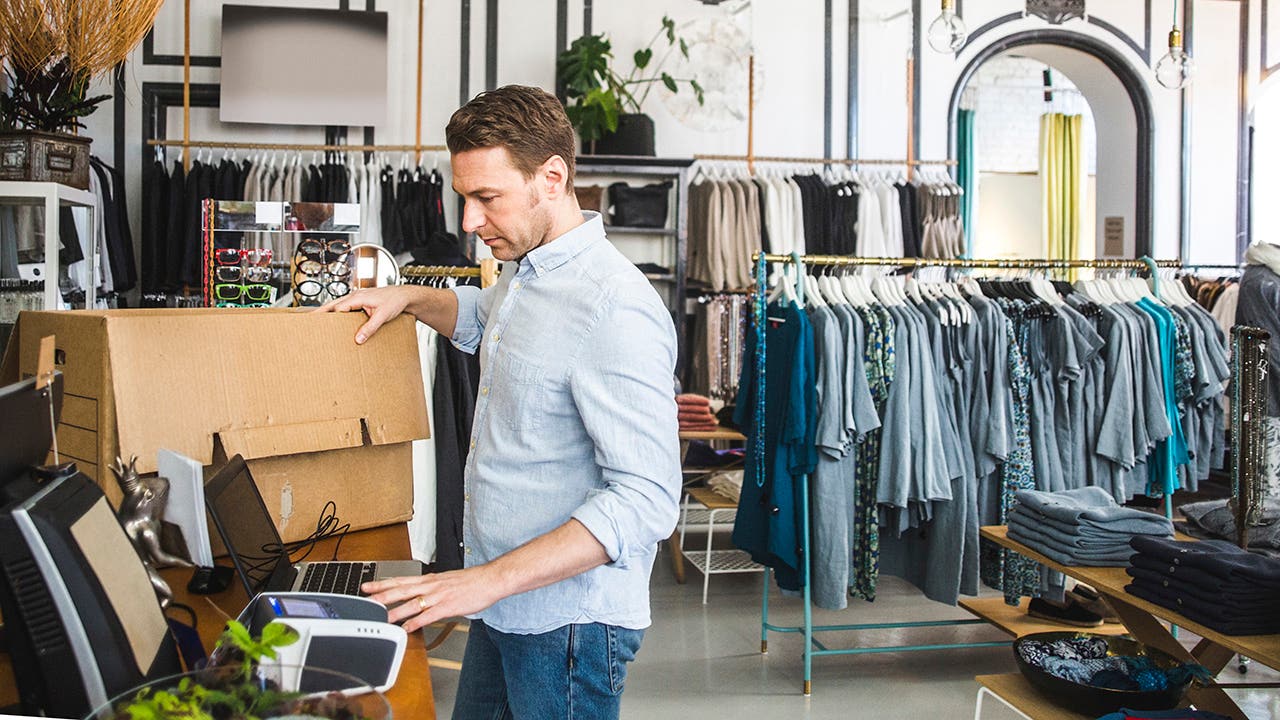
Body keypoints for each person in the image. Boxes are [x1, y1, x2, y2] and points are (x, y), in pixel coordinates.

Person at [322, 84, 681, 719]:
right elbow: (482, 316)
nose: (468, 222)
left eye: (486, 198)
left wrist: (480, 581)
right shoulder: (527, 266)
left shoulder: (613, 307)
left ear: (552, 177)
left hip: (566, 627)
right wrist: (408, 297)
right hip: (499, 601)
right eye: (464, 197)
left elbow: (648, 499)